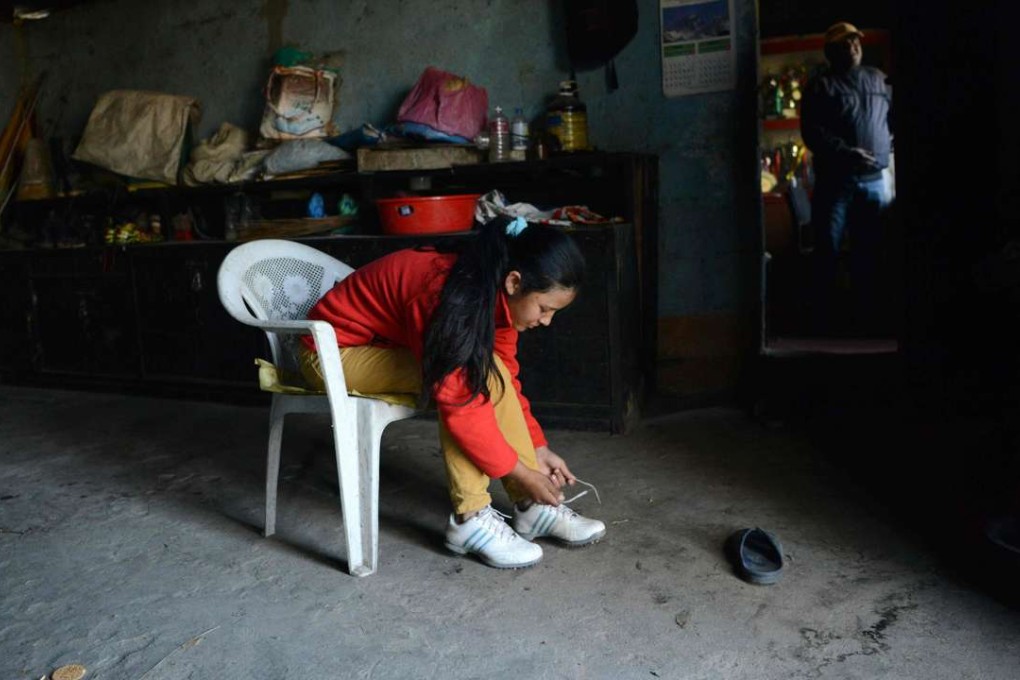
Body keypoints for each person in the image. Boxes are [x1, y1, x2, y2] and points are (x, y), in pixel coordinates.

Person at [298, 214, 606, 569]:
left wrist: (537, 448)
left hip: (380, 347)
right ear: (514, 282)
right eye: (545, 308)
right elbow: (461, 401)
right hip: (330, 355)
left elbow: (506, 378)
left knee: (489, 371)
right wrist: (522, 472)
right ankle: (470, 519)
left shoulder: (494, 293)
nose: (546, 321)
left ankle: (533, 508)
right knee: (468, 382)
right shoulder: (443, 293)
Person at [800, 21, 894, 335]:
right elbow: (812, 133)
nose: (852, 48)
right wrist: (846, 153)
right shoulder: (820, 86)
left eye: (855, 42)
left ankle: (866, 318)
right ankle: (824, 322)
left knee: (870, 250)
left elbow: (894, 117)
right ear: (830, 53)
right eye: (844, 44)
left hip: (875, 179)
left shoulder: (879, 79)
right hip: (835, 181)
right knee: (827, 248)